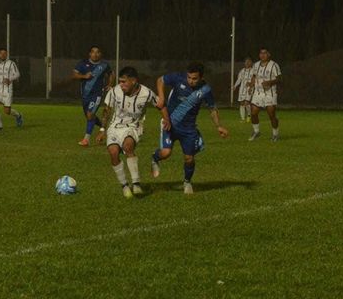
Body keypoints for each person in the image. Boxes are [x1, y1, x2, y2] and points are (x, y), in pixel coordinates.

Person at [151, 62, 228, 194]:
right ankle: (155, 158)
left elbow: (212, 109)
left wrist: (219, 126)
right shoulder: (178, 78)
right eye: (189, 77)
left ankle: (187, 182)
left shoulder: (205, 90)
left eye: (194, 78)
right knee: (166, 153)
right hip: (170, 123)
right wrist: (162, 97)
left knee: (189, 158)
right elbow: (160, 80)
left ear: (201, 78)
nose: (191, 81)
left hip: (188, 129)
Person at [95, 66, 167, 198]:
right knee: (113, 152)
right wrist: (102, 129)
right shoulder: (114, 91)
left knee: (128, 146)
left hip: (134, 126)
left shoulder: (146, 93)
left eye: (124, 82)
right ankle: (124, 186)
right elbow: (107, 110)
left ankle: (136, 184)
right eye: (120, 81)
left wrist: (167, 119)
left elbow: (160, 105)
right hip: (115, 127)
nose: (121, 85)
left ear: (133, 81)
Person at [72, 45, 114, 146]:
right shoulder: (83, 63)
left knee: (90, 114)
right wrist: (84, 76)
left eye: (97, 52)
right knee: (89, 116)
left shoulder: (104, 65)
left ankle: (86, 139)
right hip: (85, 95)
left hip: (97, 94)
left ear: (100, 54)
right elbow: (74, 74)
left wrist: (110, 84)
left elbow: (111, 74)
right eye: (93, 52)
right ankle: (105, 128)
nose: (95, 54)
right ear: (89, 54)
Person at [248, 48, 282, 142]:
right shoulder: (256, 65)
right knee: (253, 113)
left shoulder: (274, 65)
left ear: (269, 54)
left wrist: (270, 82)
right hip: (258, 93)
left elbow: (279, 79)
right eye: (261, 53)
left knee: (271, 115)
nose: (262, 55)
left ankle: (275, 134)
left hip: (270, 93)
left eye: (265, 53)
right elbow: (254, 76)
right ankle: (256, 131)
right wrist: (251, 86)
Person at [232, 57, 254, 122]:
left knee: (246, 103)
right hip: (242, 88)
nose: (247, 63)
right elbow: (239, 79)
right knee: (241, 103)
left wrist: (251, 85)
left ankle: (249, 115)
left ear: (251, 63)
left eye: (248, 62)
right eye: (246, 62)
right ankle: (243, 119)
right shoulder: (242, 71)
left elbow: (255, 80)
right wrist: (235, 86)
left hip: (250, 88)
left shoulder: (253, 71)